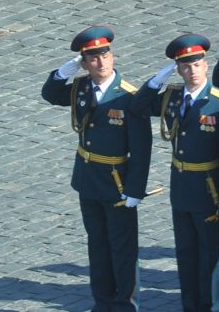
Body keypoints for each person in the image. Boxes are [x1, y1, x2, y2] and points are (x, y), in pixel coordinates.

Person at [42, 27, 151, 312]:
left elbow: (141, 150)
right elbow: (50, 94)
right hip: (88, 179)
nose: (101, 63)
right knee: (98, 246)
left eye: (105, 56)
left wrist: (135, 188)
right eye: (93, 59)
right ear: (85, 63)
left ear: (112, 57)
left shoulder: (129, 97)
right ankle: (102, 303)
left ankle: (126, 305)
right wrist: (64, 72)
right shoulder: (81, 88)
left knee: (123, 249)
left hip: (117, 183)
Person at [136, 35, 219, 312]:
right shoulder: (172, 98)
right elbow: (138, 107)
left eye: (196, 64)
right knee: (186, 254)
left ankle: (216, 307)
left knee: (212, 256)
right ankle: (190, 306)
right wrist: (154, 84)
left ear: (206, 65)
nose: (192, 70)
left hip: (209, 191)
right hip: (181, 187)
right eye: (185, 66)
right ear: (179, 70)